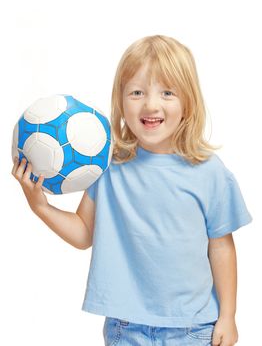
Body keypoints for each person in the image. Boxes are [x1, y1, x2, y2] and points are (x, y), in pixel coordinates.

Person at [12, 35, 253, 346]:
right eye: (137, 92)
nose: (151, 104)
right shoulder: (108, 166)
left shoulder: (209, 172)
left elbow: (221, 247)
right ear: (121, 101)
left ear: (188, 103)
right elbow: (85, 233)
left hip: (193, 327)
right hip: (125, 329)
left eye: (167, 92)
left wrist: (228, 316)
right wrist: (40, 206)